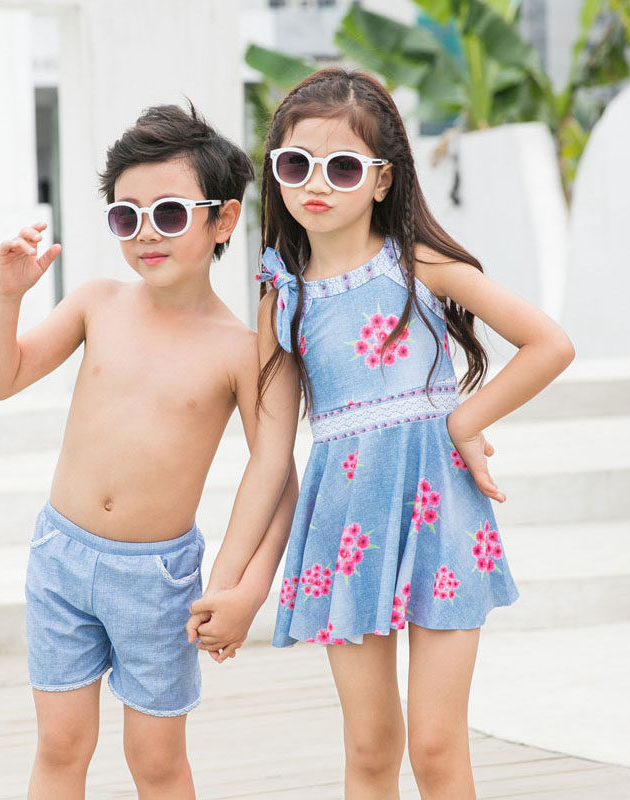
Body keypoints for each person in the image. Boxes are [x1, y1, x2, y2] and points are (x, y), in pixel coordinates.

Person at [240, 67, 574, 799]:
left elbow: (549, 344)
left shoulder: (418, 265)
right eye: (295, 164)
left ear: (382, 179)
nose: (316, 184)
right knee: (368, 747)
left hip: (439, 515)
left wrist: (462, 419)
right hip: (344, 526)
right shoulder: (282, 301)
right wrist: (233, 582)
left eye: (343, 167)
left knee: (434, 744)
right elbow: (269, 455)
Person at [0, 103, 297, 800]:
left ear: (223, 220)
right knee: (60, 744)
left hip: (157, 578)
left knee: (155, 760)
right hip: (60, 556)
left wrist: (242, 588)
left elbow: (276, 473)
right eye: (127, 216)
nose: (147, 232)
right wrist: (7, 297)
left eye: (170, 214)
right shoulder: (97, 302)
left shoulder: (242, 350)